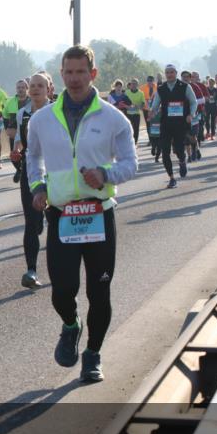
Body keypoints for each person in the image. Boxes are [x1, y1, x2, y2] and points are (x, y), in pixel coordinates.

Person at [27, 45, 137, 383]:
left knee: (99, 293)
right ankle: (71, 326)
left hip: (99, 214)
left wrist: (105, 176)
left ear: (93, 74)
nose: (74, 79)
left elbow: (131, 164)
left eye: (81, 72)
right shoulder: (42, 118)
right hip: (61, 216)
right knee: (62, 289)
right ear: (60, 75)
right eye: (68, 72)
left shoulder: (113, 118)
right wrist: (38, 187)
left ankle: (92, 355)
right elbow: (33, 158)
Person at [9, 74, 51, 289]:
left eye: (39, 86)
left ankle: (59, 266)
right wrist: (16, 150)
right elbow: (19, 138)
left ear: (48, 89)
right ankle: (31, 271)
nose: (35, 89)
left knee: (55, 220)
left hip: (55, 172)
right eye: (31, 86)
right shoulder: (22, 114)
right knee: (31, 222)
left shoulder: (56, 112)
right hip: (31, 171)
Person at [148, 64, 198, 188]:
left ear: (176, 73)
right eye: (167, 72)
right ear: (165, 74)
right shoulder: (161, 88)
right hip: (166, 123)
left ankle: (182, 160)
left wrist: (191, 115)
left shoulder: (185, 86)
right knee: (165, 151)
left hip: (181, 123)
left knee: (179, 149)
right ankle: (171, 178)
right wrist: (152, 111)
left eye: (172, 72)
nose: (169, 74)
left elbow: (193, 102)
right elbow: (155, 105)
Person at [4, 79, 30, 183]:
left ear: (27, 89)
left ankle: (25, 173)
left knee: (25, 155)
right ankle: (19, 170)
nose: (20, 90)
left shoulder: (32, 101)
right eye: (18, 87)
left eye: (23, 87)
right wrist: (7, 128)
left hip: (28, 132)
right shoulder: (10, 101)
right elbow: (5, 115)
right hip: (14, 132)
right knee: (13, 155)